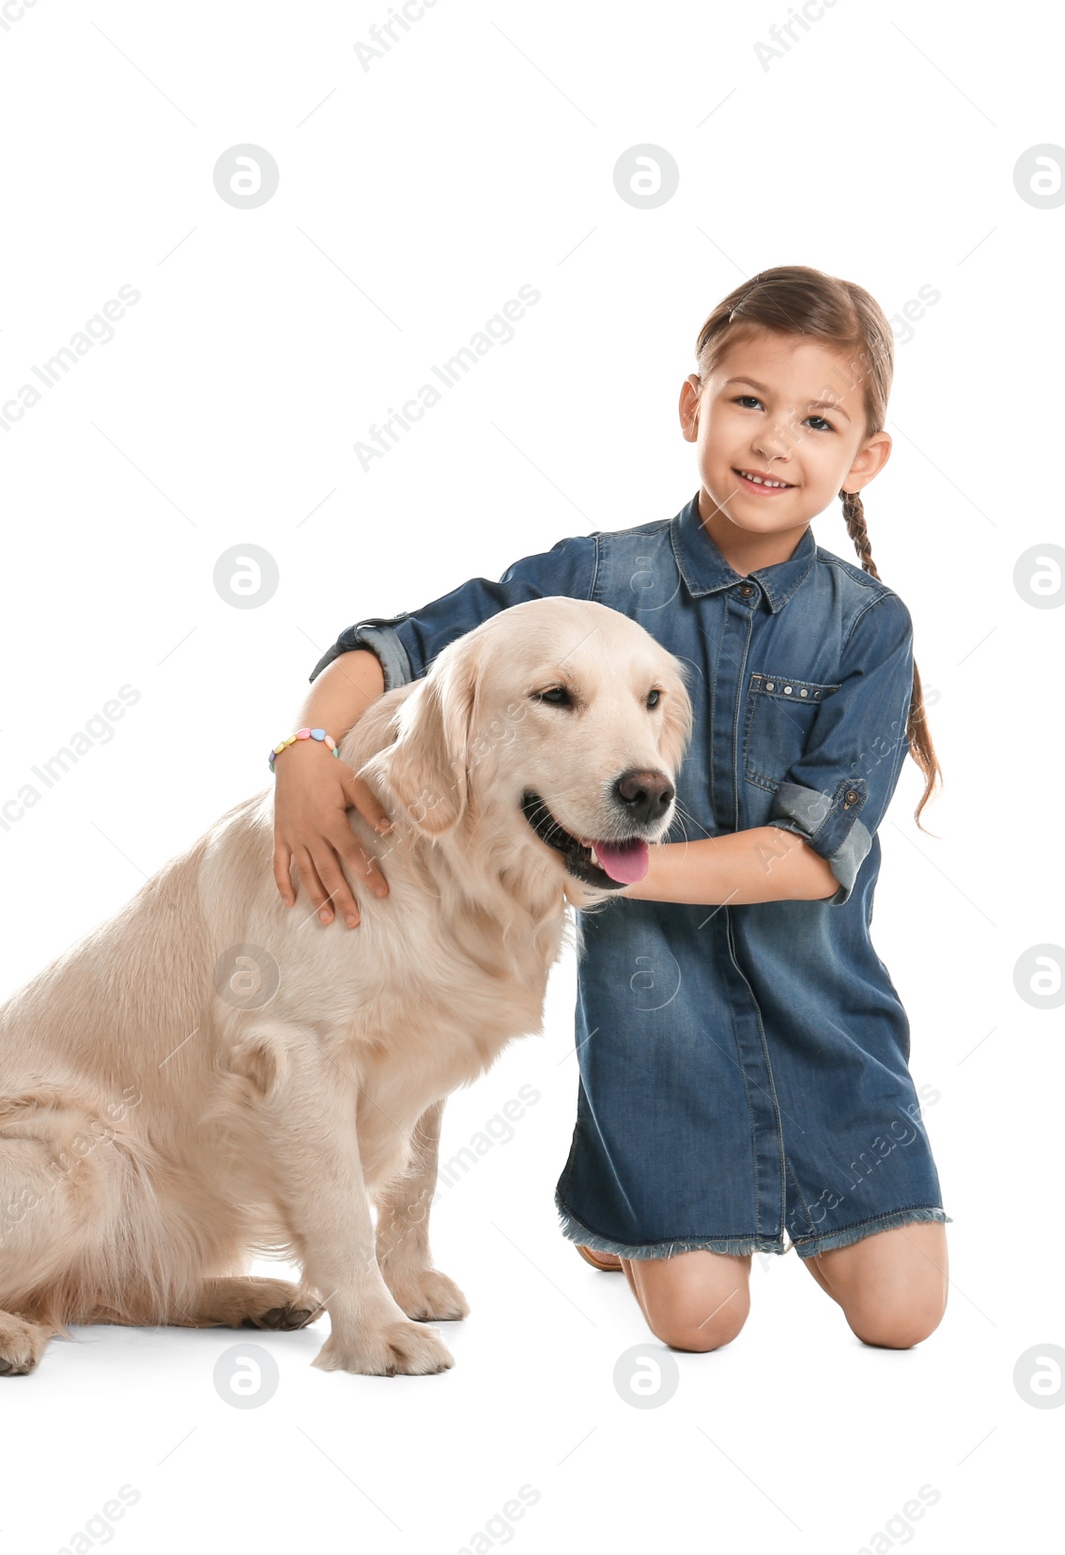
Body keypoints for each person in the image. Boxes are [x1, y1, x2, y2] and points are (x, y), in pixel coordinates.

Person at [270, 264, 952, 1352]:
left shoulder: (867, 628)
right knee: (699, 1327)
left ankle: (624, 1194)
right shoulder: (593, 578)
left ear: (862, 456)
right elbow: (400, 641)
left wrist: (611, 864)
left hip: (826, 1024)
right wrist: (307, 746)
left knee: (902, 1317)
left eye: (816, 421)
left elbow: (809, 857)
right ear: (694, 407)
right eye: (747, 402)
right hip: (657, 1024)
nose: (774, 441)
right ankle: (626, 1189)